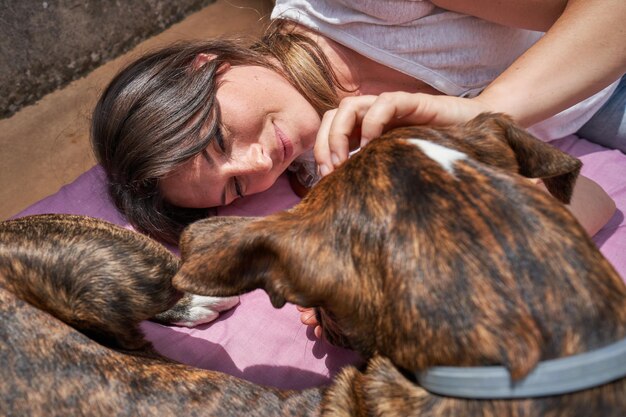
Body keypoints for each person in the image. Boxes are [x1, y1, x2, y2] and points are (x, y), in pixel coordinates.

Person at [92, 0, 624, 249]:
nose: (260, 165)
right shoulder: (335, 170)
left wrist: (486, 113)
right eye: (235, 188)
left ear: (205, 64)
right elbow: (584, 197)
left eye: (220, 140)